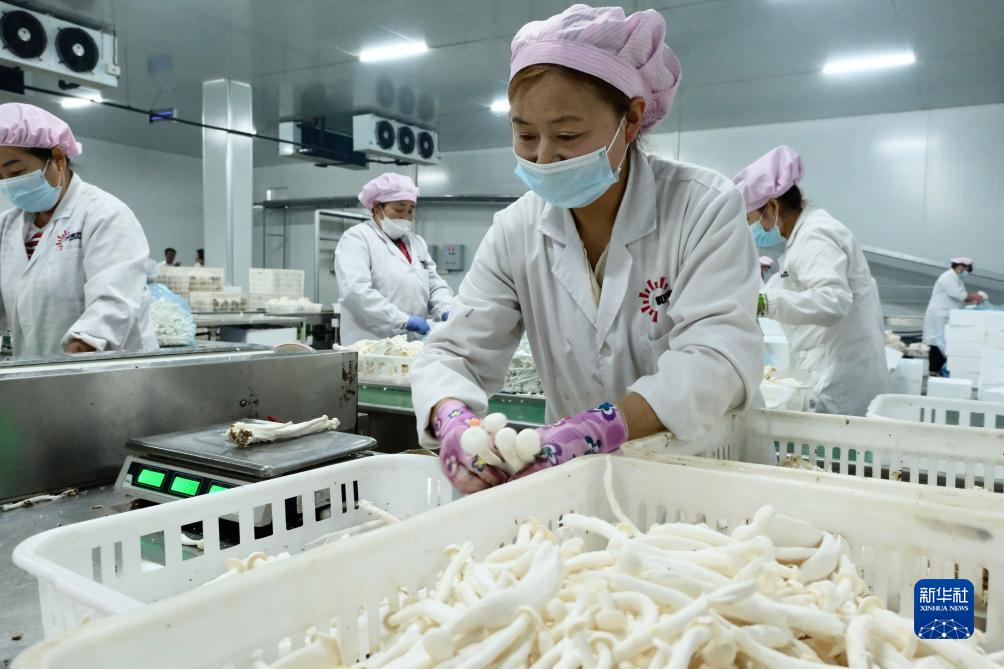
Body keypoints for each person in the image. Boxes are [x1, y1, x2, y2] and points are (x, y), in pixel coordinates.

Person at [410, 5, 765, 493]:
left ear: (631, 120)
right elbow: (455, 352)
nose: (543, 157)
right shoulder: (516, 230)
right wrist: (451, 417)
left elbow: (717, 359)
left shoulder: (700, 207)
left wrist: (600, 426)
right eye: (525, 134)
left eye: (567, 135)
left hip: (699, 470)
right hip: (576, 478)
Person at [735, 145, 886, 416]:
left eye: (752, 219)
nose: (753, 229)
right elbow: (787, 287)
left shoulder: (816, 235)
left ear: (772, 206)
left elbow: (833, 301)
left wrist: (764, 303)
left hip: (838, 382)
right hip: (826, 371)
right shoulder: (802, 238)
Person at [0, 103, 157, 358]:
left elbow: (112, 304)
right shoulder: (6, 227)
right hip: (36, 369)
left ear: (58, 158)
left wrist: (72, 362)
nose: (8, 183)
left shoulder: (104, 215)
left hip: (104, 370)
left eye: (16, 171)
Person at [334, 173, 453, 345]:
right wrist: (403, 320)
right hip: (371, 344)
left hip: (413, 344)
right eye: (399, 209)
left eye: (410, 210)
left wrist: (446, 308)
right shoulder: (357, 238)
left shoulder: (416, 242)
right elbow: (355, 292)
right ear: (376, 207)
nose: (405, 216)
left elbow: (434, 284)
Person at [922, 257, 984, 376]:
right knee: (937, 343)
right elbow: (960, 295)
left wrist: (973, 299)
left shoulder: (957, 279)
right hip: (939, 315)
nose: (967, 273)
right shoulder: (948, 277)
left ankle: (940, 370)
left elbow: (962, 298)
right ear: (960, 266)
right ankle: (934, 371)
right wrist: (975, 296)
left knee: (943, 342)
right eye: (967, 270)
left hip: (945, 314)